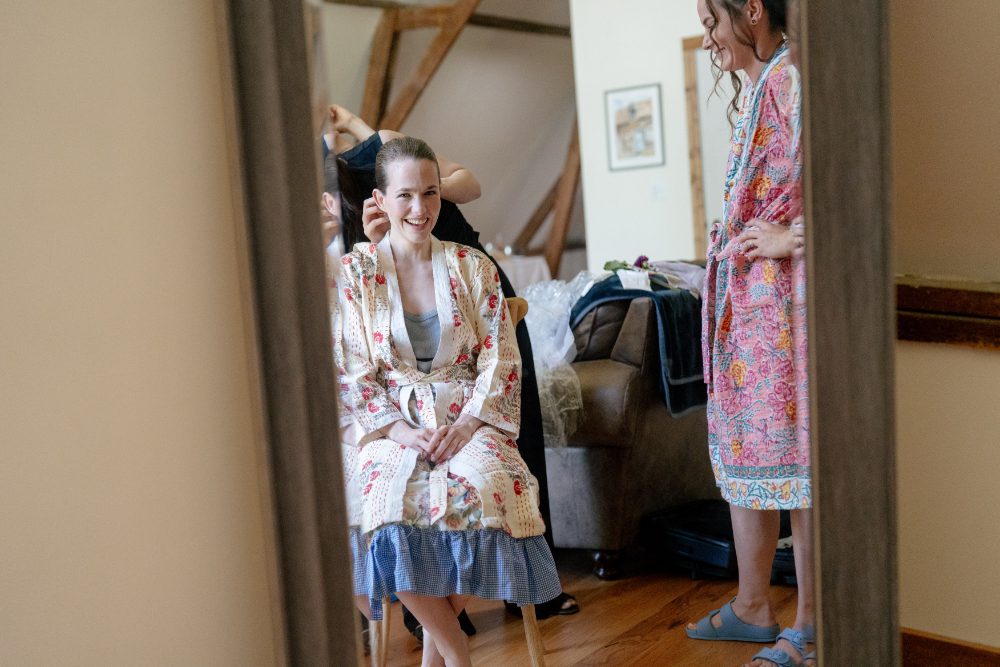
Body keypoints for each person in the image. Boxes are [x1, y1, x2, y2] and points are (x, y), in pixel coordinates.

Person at [327, 105, 580, 623]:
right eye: (405, 196)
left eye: (430, 194)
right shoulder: (359, 272)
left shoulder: (473, 266)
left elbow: (500, 357)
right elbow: (352, 365)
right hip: (393, 426)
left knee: (495, 494)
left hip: (467, 418)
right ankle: (452, 649)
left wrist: (467, 425)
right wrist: (397, 430)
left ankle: (446, 646)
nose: (420, 208)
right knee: (383, 513)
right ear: (379, 201)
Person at [686, 2, 814, 667]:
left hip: (782, 305)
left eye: (712, 21)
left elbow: (839, 183)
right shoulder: (768, 81)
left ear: (753, 11)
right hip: (751, 303)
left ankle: (814, 622)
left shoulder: (793, 79)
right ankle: (753, 603)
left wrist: (791, 236)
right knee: (753, 454)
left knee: (797, 459)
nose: (707, 38)